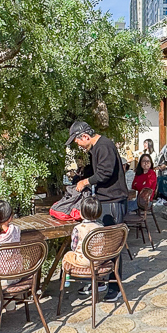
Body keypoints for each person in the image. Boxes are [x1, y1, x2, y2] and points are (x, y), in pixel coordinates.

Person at [68, 120, 128, 302]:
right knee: (101, 244)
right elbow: (96, 170)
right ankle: (101, 280)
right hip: (105, 200)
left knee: (113, 245)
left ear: (85, 136)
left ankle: (114, 286)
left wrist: (85, 182)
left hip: (114, 201)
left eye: (77, 141)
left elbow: (105, 173)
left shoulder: (104, 146)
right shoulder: (96, 148)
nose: (77, 145)